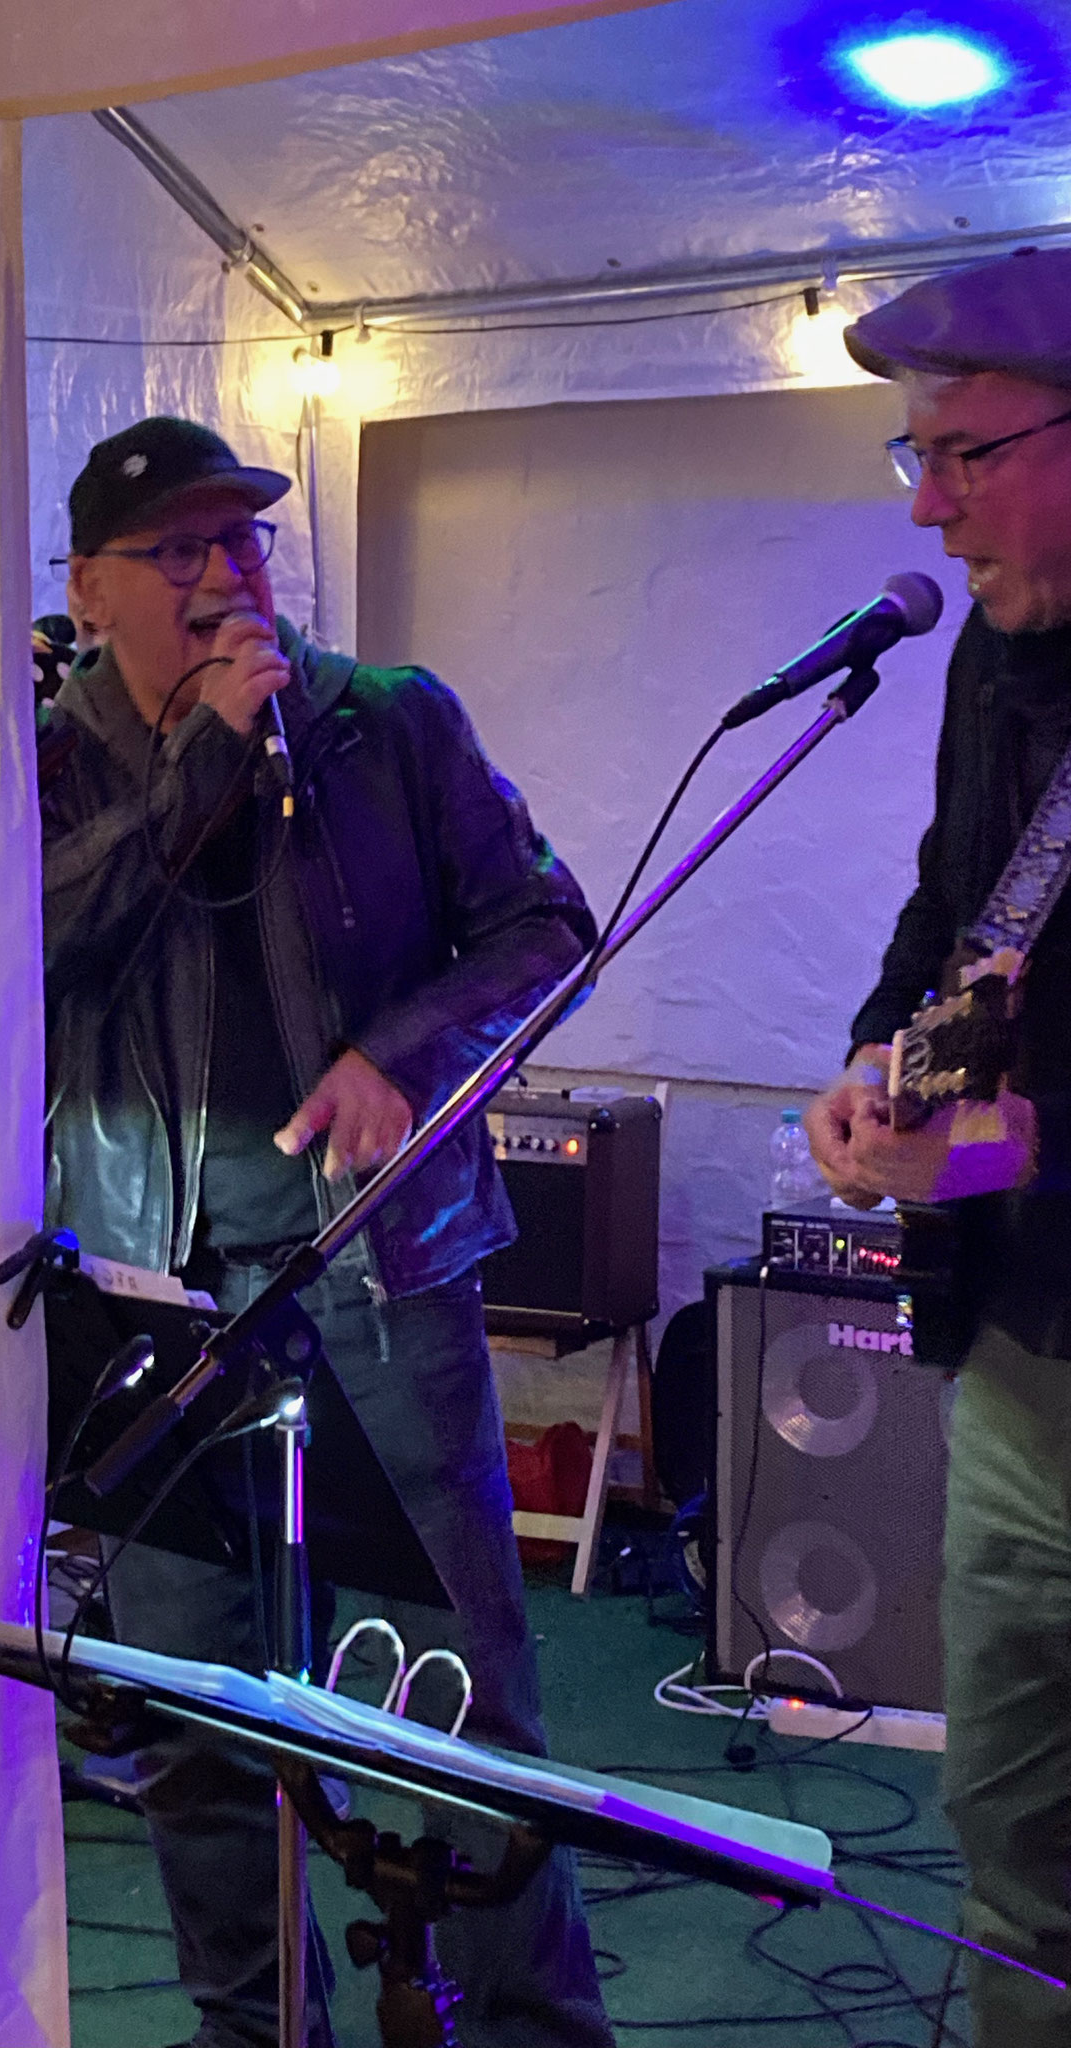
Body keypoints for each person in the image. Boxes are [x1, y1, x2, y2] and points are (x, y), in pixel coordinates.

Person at [39, 415, 613, 2048]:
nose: (229, 576)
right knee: (189, 1708)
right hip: (158, 1297)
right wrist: (204, 762)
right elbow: (35, 946)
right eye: (182, 552)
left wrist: (400, 1057)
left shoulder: (386, 724)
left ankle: (530, 2031)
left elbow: (549, 926)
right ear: (91, 588)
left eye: (248, 542)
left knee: (456, 1697)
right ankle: (254, 2029)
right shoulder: (44, 764)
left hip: (379, 1272)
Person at [805, 246, 1071, 2047]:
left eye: (966, 452)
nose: (931, 502)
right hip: (1019, 1347)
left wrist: (1040, 1140)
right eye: (916, 455)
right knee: (1009, 1823)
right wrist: (877, 1071)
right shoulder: (990, 652)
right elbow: (952, 911)